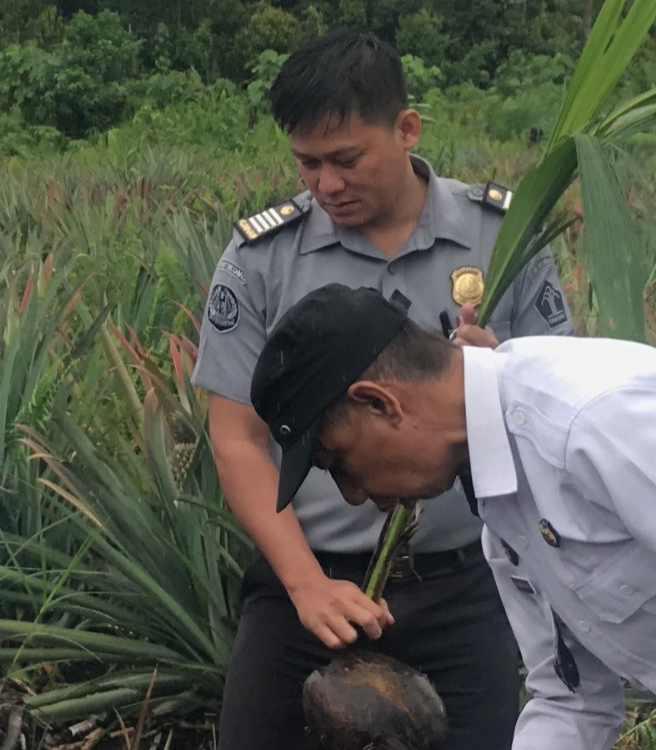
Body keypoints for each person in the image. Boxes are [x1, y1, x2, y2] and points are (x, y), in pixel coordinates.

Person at [190, 29, 576, 750]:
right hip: (307, 581)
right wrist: (305, 585)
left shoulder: (502, 235)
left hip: (468, 582)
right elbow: (236, 437)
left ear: (406, 130)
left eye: (347, 160)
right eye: (307, 164)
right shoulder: (262, 259)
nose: (326, 185)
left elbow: (556, 399)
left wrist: (494, 378)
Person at [250, 281, 656, 750]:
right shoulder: (505, 519)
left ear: (381, 404)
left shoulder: (591, 424)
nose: (355, 496)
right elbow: (573, 702)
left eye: (340, 465)